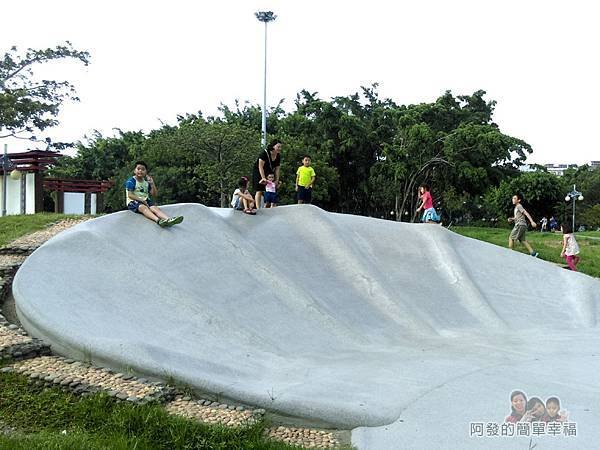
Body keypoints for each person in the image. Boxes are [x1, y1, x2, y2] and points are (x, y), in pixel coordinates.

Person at [125, 161, 183, 227]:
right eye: (138, 169)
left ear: (146, 172)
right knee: (143, 208)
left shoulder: (146, 183)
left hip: (146, 200)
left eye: (143, 169)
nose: (140, 171)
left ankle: (168, 219)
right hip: (133, 201)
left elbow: (154, 194)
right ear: (134, 171)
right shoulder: (131, 181)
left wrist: (152, 184)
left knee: (155, 208)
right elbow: (130, 195)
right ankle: (158, 220)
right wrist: (141, 200)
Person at [253, 140, 282, 208]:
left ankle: (268, 206)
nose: (280, 148)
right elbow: (260, 166)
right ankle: (258, 208)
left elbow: (277, 169)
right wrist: (263, 178)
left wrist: (277, 180)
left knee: (270, 189)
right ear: (273, 146)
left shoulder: (278, 156)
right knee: (259, 190)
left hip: (269, 172)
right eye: (278, 147)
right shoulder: (264, 153)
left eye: (280, 147)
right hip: (258, 171)